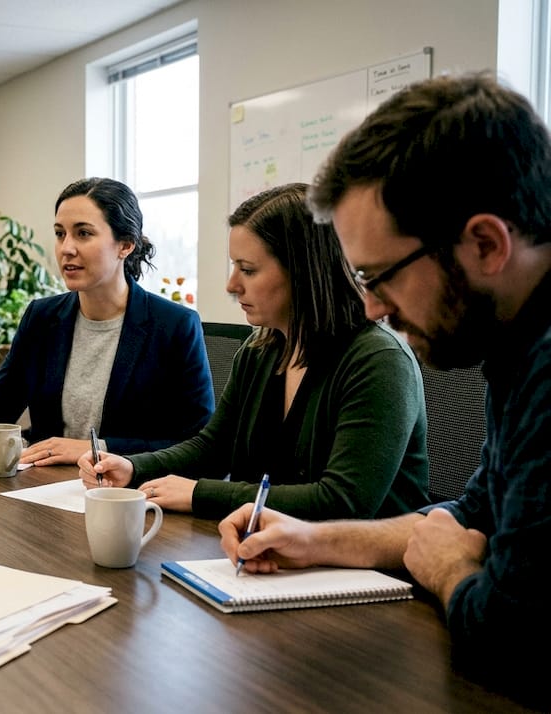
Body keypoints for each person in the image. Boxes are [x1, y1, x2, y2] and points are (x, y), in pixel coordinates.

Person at [219, 73, 549, 707]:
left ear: (485, 244)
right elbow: (471, 514)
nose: (371, 308)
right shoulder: (511, 341)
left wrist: (453, 570)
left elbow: (516, 645)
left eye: (380, 276)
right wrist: (311, 541)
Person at [79, 182, 430, 521]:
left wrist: (201, 494)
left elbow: (343, 501)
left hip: (368, 574)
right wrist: (133, 466)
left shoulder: (378, 360)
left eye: (247, 269)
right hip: (273, 552)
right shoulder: (261, 349)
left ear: (304, 271)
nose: (232, 285)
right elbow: (213, 448)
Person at [0, 177, 215, 466]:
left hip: (129, 497)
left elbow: (196, 444)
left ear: (125, 244)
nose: (66, 248)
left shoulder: (174, 326)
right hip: (44, 488)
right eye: (60, 233)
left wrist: (100, 448)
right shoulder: (43, 317)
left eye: (83, 233)